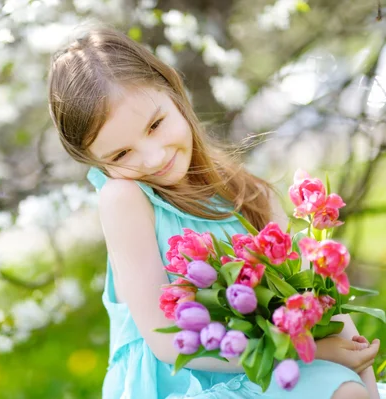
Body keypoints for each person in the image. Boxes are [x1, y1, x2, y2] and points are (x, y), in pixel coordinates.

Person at [47, 26, 382, 399]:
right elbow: (167, 340)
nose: (153, 156)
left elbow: (316, 298)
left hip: (272, 368)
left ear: (174, 91)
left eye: (156, 125)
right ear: (95, 162)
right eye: (121, 155)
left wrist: (359, 370)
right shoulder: (124, 198)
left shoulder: (248, 193)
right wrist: (314, 352)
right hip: (183, 381)